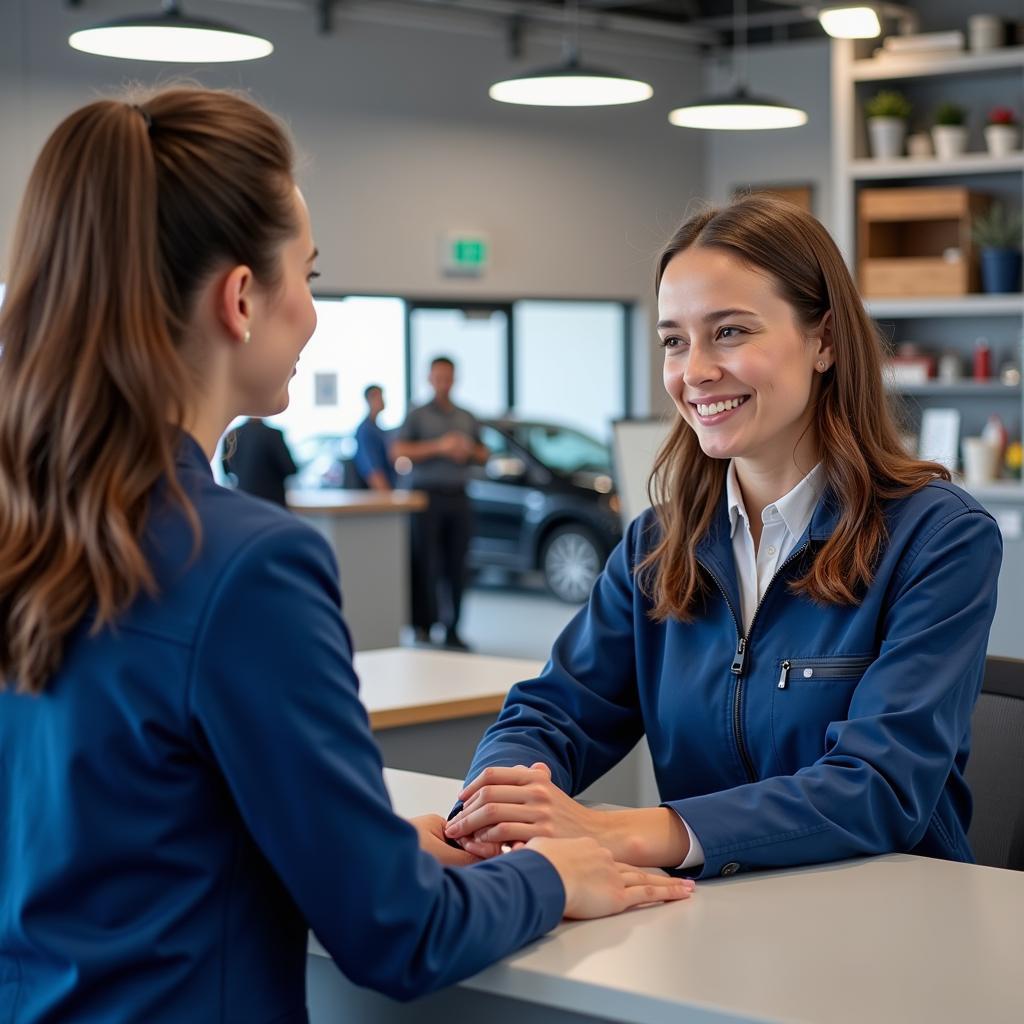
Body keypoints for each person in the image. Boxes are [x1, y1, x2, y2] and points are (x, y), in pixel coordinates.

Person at [0, 88, 693, 1023]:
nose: (315, 316)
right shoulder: (248, 565)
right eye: (311, 279)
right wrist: (547, 876)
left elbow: (116, 828)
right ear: (241, 298)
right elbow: (394, 932)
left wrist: (371, 842)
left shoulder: (34, 526)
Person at [444, 194, 1003, 881]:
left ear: (824, 339)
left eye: (731, 332)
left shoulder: (938, 538)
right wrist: (497, 804)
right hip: (709, 925)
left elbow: (879, 788)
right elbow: (554, 711)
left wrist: (619, 831)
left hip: (885, 925)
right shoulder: (659, 543)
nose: (695, 370)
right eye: (674, 340)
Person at [392, 356, 488, 650]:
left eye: (448, 377)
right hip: (425, 497)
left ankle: (453, 628)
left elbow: (485, 454)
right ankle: (423, 626)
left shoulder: (466, 416)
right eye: (438, 377)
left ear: (454, 378)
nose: (443, 383)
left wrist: (468, 450)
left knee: (457, 565)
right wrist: (439, 446)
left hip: (458, 496)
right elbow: (398, 451)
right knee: (425, 562)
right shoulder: (418, 415)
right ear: (430, 379)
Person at [222, 415, 298, 506]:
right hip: (271, 502)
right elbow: (290, 469)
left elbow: (226, 469)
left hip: (243, 498)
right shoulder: (273, 434)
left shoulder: (232, 434)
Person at [353, 383, 396, 490]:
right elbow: (371, 468)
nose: (381, 400)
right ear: (368, 400)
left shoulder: (379, 429)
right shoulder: (365, 430)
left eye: (381, 396)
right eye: (376, 396)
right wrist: (386, 496)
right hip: (377, 493)